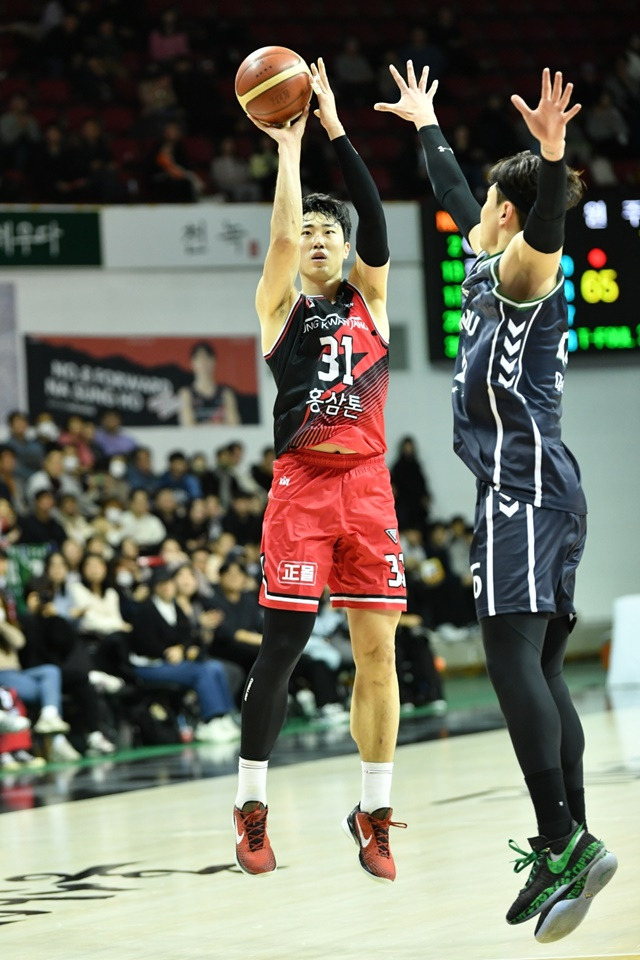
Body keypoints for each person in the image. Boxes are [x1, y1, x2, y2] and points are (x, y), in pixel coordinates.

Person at [376, 63, 617, 941]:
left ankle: (560, 837)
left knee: (509, 656)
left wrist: (553, 162)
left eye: (487, 202)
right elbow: (450, 192)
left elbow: (547, 231)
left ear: (506, 214)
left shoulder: (523, 269)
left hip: (525, 486)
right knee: (544, 668)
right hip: (542, 488)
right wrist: (426, 125)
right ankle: (576, 841)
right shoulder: (484, 259)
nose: (470, 211)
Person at [232, 57, 407, 882]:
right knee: (285, 648)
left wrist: (335, 124)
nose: (317, 238)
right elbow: (279, 234)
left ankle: (373, 813)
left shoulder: (368, 296)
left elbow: (373, 219)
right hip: (302, 489)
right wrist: (289, 147)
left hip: (368, 489)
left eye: (327, 233)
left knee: (379, 653)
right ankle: (251, 803)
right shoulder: (281, 308)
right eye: (309, 231)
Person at [178, 342, 241, 426]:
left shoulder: (226, 393)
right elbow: (187, 426)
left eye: (207, 358)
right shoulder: (186, 393)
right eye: (199, 359)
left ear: (214, 362)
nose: (203, 363)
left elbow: (235, 425)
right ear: (192, 363)